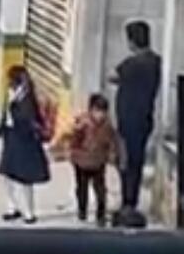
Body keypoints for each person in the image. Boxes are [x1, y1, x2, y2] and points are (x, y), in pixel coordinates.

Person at [111, 20, 161, 215]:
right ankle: (131, 200)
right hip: (144, 119)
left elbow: (114, 74)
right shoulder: (155, 62)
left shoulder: (132, 64)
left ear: (132, 41)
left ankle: (128, 202)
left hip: (129, 121)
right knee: (136, 162)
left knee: (126, 162)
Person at [52, 93, 118, 225]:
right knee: (82, 188)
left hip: (99, 162)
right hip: (82, 162)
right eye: (97, 111)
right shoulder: (82, 123)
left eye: (103, 112)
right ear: (91, 110)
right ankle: (82, 211)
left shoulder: (108, 125)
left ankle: (100, 215)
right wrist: (70, 152)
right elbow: (72, 139)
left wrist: (112, 154)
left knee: (100, 190)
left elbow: (112, 141)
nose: (100, 115)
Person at [0, 66, 51, 224]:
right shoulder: (12, 94)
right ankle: (12, 207)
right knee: (7, 173)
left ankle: (29, 213)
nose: (8, 84)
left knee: (25, 178)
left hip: (25, 140)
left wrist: (14, 106)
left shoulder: (26, 98)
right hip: (11, 137)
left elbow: (27, 119)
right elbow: (6, 114)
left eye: (11, 81)